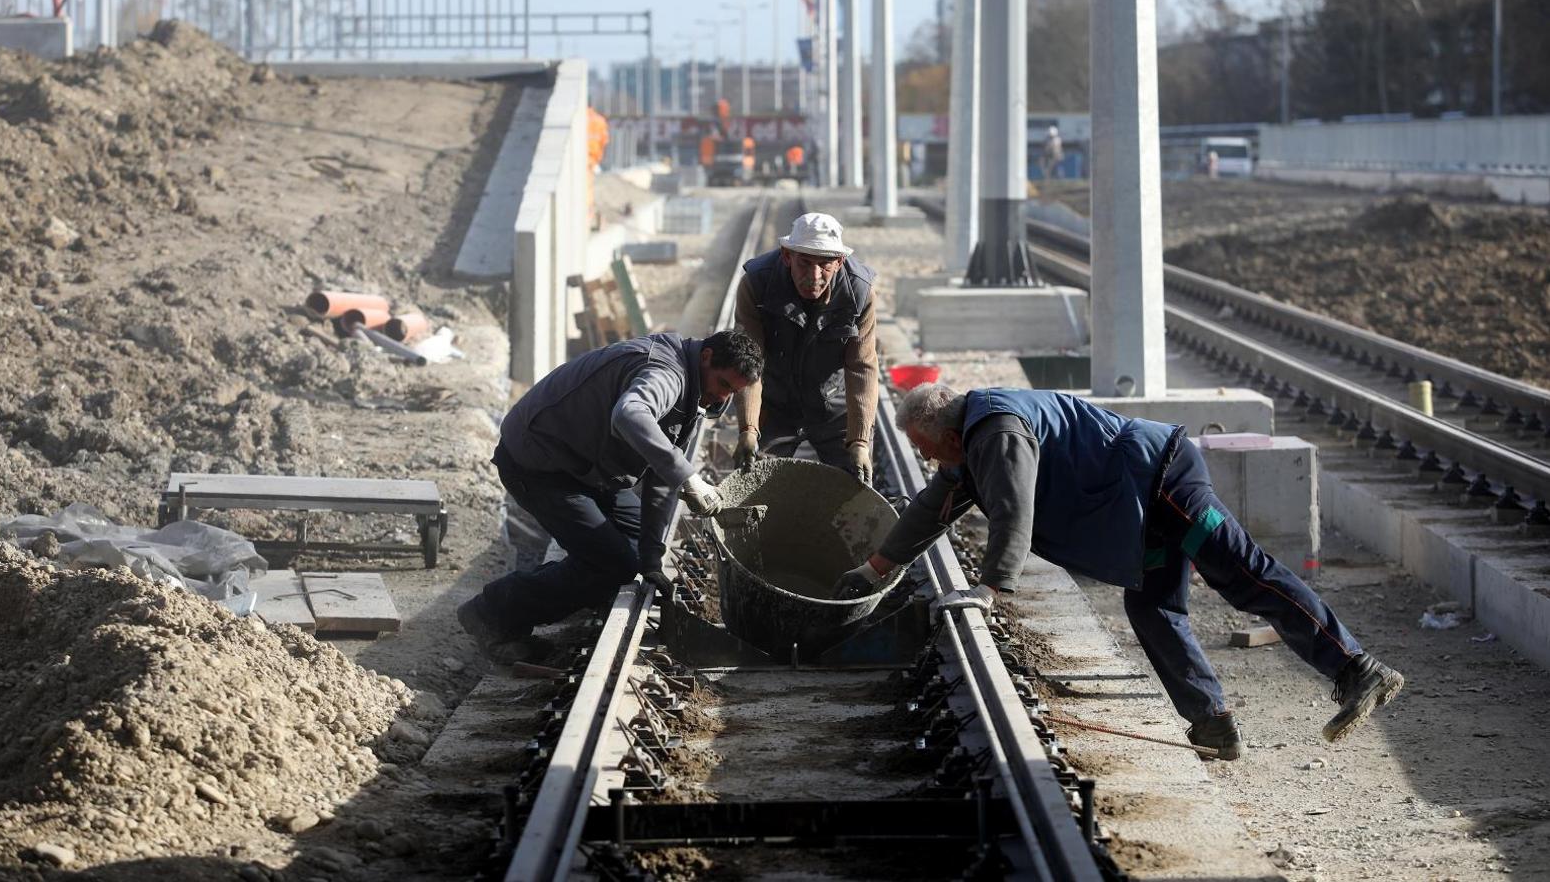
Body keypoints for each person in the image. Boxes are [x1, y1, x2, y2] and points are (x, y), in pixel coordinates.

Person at [835, 383, 1405, 760]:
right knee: (1152, 607)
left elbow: (1013, 511)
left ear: (952, 437)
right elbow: (931, 509)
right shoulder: (972, 440)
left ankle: (1357, 668)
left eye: (930, 452)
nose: (934, 463)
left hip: (1163, 482)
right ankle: (1213, 724)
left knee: (1244, 574)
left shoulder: (998, 436)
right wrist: (873, 569)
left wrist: (991, 587)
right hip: (1135, 506)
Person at [459, 330, 763, 662]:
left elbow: (662, 472)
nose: (721, 398)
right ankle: (492, 612)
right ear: (706, 357)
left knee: (630, 551)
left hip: (589, 468)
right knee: (613, 565)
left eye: (732, 393)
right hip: (540, 464)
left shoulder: (697, 385)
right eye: (722, 385)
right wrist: (689, 477)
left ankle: (579, 586)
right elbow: (629, 414)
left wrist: (651, 561)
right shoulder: (666, 373)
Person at [733, 212, 879, 484]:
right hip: (775, 404)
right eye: (804, 263)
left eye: (825, 265)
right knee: (752, 482)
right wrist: (748, 429)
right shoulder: (757, 284)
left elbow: (862, 367)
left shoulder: (859, 293)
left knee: (857, 485)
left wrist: (859, 441)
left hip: (831, 407)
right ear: (787, 256)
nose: (814, 276)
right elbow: (749, 361)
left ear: (840, 262)